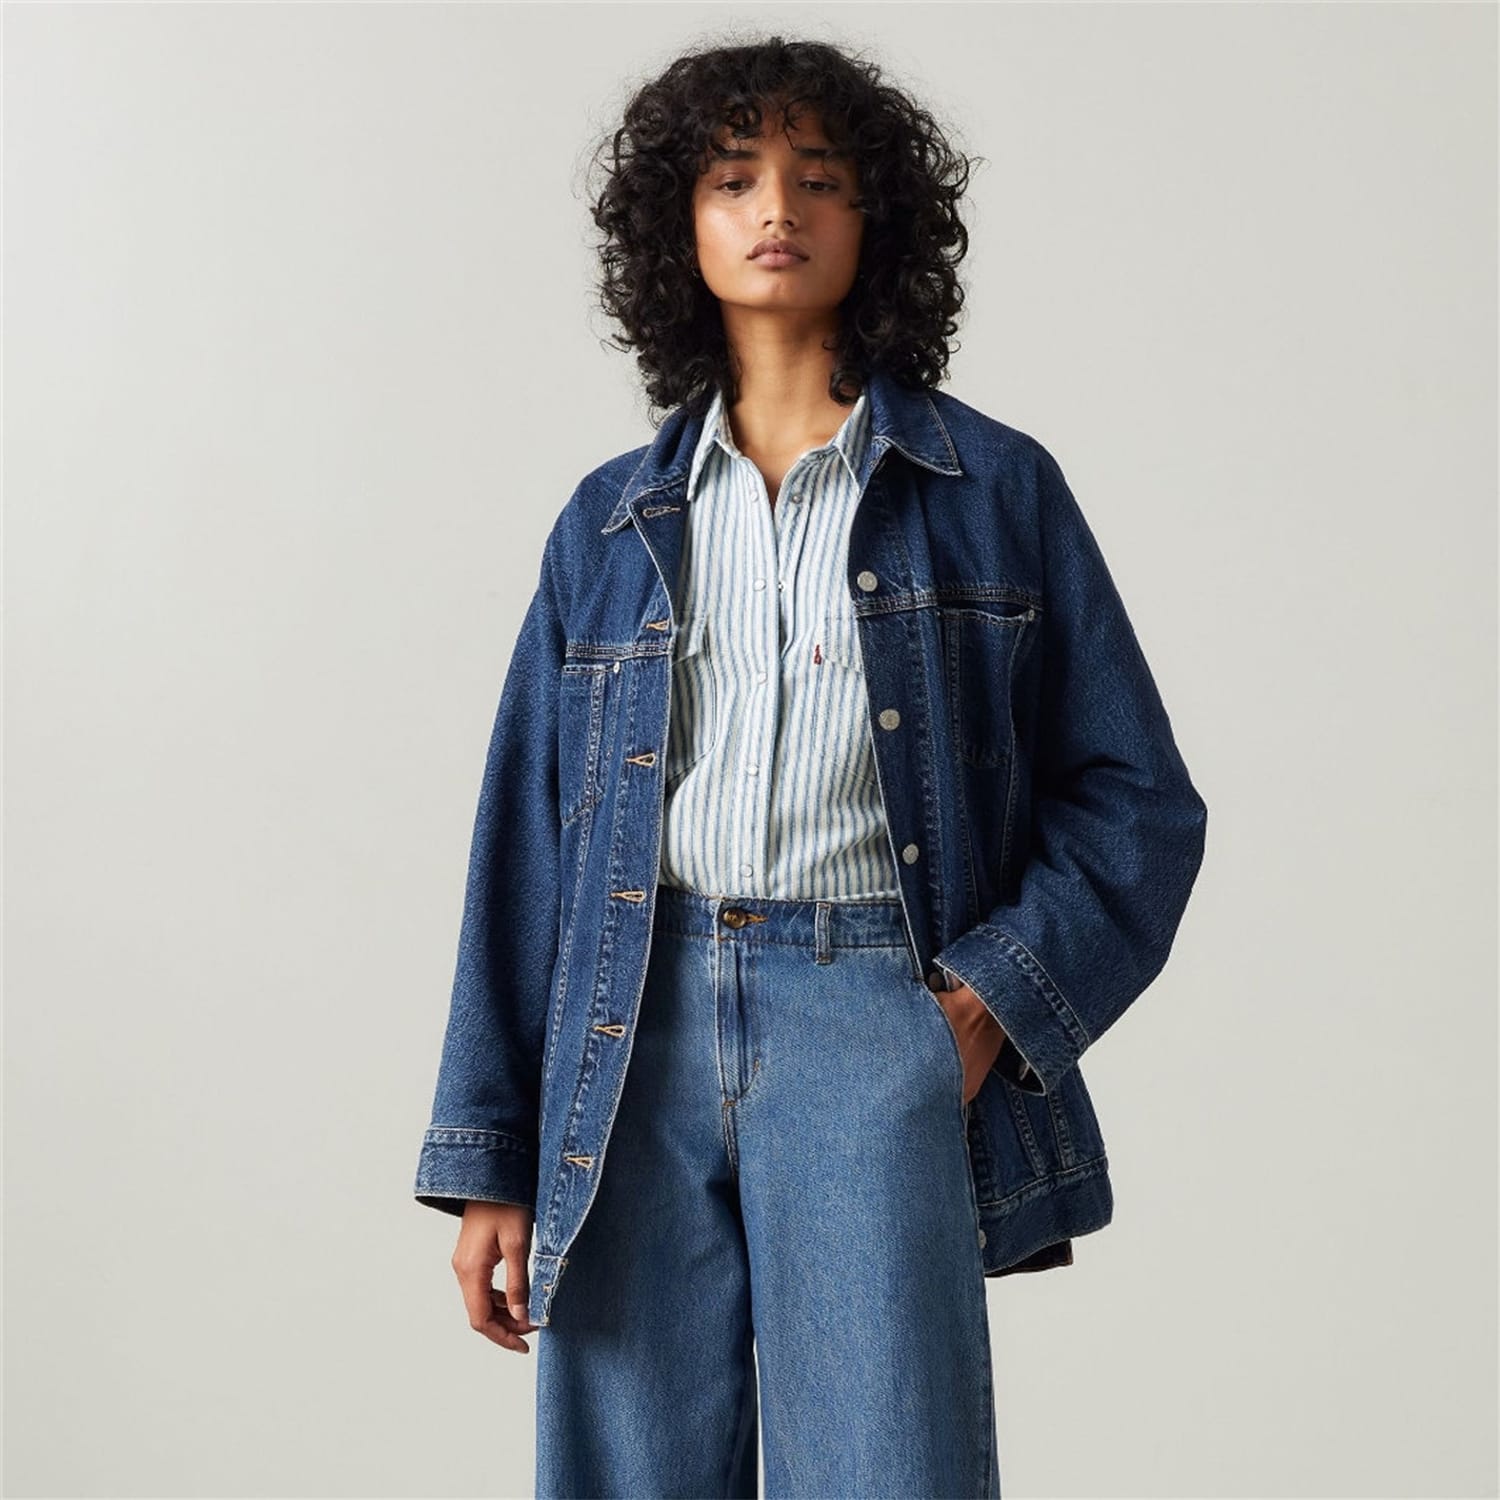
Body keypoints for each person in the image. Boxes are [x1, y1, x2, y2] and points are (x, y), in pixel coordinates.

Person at [413, 35, 1208, 1500]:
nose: (776, 204)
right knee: (627, 1473)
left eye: (819, 176)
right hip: (628, 1036)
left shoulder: (993, 491)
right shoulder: (608, 523)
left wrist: (984, 1007)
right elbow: (527, 846)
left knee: (886, 1468)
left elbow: (1137, 799)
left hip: (871, 1021)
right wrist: (491, 1155)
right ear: (680, 227)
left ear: (875, 217)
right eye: (733, 178)